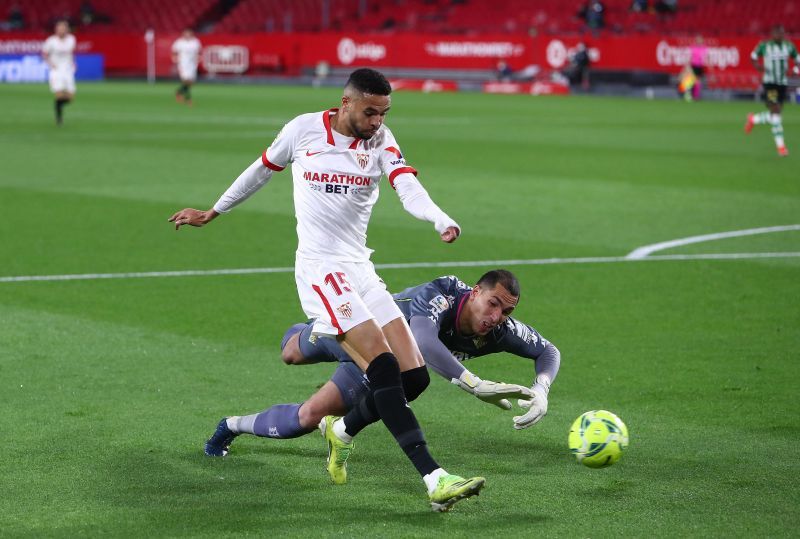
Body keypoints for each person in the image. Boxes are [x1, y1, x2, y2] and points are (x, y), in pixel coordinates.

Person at [169, 68, 485, 512]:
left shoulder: (381, 141)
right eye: (370, 112)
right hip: (321, 270)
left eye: (384, 113)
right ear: (346, 102)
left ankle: (341, 430)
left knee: (413, 378)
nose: (377, 121)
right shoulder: (303, 130)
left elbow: (406, 184)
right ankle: (434, 478)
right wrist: (213, 211)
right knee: (384, 369)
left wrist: (438, 217)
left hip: (360, 268)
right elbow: (262, 169)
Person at [203, 270, 559, 464]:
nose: (497, 317)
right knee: (291, 352)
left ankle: (230, 426)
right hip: (356, 329)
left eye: (506, 311)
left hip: (376, 365)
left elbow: (548, 352)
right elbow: (423, 340)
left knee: (307, 419)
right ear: (476, 291)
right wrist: (473, 383)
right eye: (493, 304)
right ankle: (309, 324)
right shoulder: (442, 293)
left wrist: (541, 389)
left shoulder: (499, 331)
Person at [744, 25, 800, 157]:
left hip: (782, 83)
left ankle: (754, 119)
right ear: (772, 34)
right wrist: (758, 67)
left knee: (776, 113)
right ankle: (781, 147)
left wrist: (796, 71)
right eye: (777, 33)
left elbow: (798, 60)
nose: (780, 36)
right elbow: (753, 57)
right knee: (776, 111)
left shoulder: (789, 46)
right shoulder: (764, 46)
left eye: (782, 33)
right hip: (770, 83)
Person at [42, 20, 76, 126]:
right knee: (59, 94)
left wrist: (74, 63)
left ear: (67, 29)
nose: (61, 30)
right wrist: (50, 64)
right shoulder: (51, 41)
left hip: (68, 70)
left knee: (70, 98)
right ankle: (59, 118)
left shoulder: (71, 39)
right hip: (56, 71)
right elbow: (44, 54)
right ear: (56, 30)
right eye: (59, 28)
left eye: (63, 28)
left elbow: (70, 53)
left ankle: (57, 105)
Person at [171, 28, 202, 106]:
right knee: (186, 80)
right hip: (183, 63)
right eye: (186, 33)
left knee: (191, 82)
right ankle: (188, 99)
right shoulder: (179, 42)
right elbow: (174, 51)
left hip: (192, 64)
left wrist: (199, 57)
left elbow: (199, 51)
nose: (187, 35)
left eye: (189, 33)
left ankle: (179, 92)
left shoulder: (195, 42)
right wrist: (174, 58)